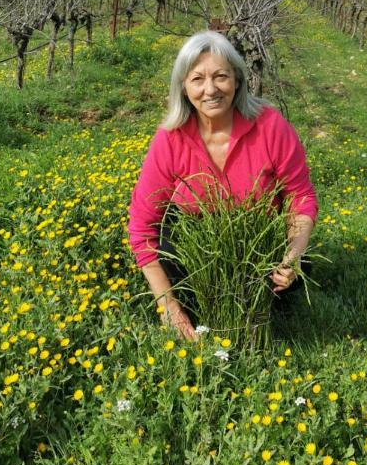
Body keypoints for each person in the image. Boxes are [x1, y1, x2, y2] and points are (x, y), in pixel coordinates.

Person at [127, 30, 318, 340]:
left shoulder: (270, 126)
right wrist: (169, 307)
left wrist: (292, 256)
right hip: (194, 244)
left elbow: (300, 196)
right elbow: (141, 228)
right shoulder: (170, 139)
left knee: (284, 282)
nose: (210, 89)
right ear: (184, 88)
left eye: (220, 77)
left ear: (238, 80)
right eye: (197, 79)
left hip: (257, 240)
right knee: (184, 284)